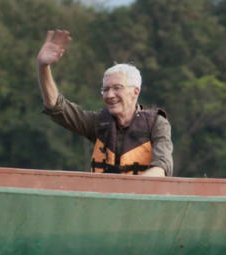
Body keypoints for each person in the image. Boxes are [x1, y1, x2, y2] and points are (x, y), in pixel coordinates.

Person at [36, 29, 173, 176]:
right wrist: (43, 67)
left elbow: (162, 167)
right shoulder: (99, 123)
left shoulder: (156, 124)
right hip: (102, 198)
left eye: (117, 88)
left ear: (135, 92)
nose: (109, 95)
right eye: (105, 89)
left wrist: (127, 193)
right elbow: (56, 107)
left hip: (140, 197)